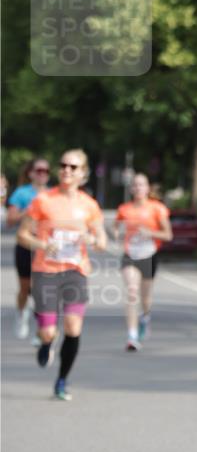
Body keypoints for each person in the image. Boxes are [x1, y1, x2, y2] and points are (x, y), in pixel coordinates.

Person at [17, 149, 106, 400]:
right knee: (48, 332)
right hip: (46, 271)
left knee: (73, 327)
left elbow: (102, 241)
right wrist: (44, 245)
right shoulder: (44, 200)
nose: (67, 170)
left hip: (75, 271)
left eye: (73, 167)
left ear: (83, 173)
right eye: (63, 165)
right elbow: (23, 235)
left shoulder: (89, 205)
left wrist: (91, 238)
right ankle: (45, 342)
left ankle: (62, 379)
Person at [114, 173, 172, 351]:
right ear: (131, 189)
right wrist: (117, 233)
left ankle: (145, 318)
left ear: (147, 188)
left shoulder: (157, 208)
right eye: (135, 185)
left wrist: (150, 233)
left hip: (149, 254)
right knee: (132, 292)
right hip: (130, 254)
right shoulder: (124, 209)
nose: (138, 188)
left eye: (142, 185)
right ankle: (132, 335)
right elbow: (115, 228)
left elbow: (168, 235)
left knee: (145, 298)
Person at [6, 158, 51, 340]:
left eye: (46, 171)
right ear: (31, 173)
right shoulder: (22, 193)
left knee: (41, 289)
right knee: (25, 289)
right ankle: (21, 314)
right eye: (39, 170)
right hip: (25, 245)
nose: (42, 174)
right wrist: (30, 210)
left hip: (44, 247)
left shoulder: (52, 195)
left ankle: (41, 328)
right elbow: (10, 220)